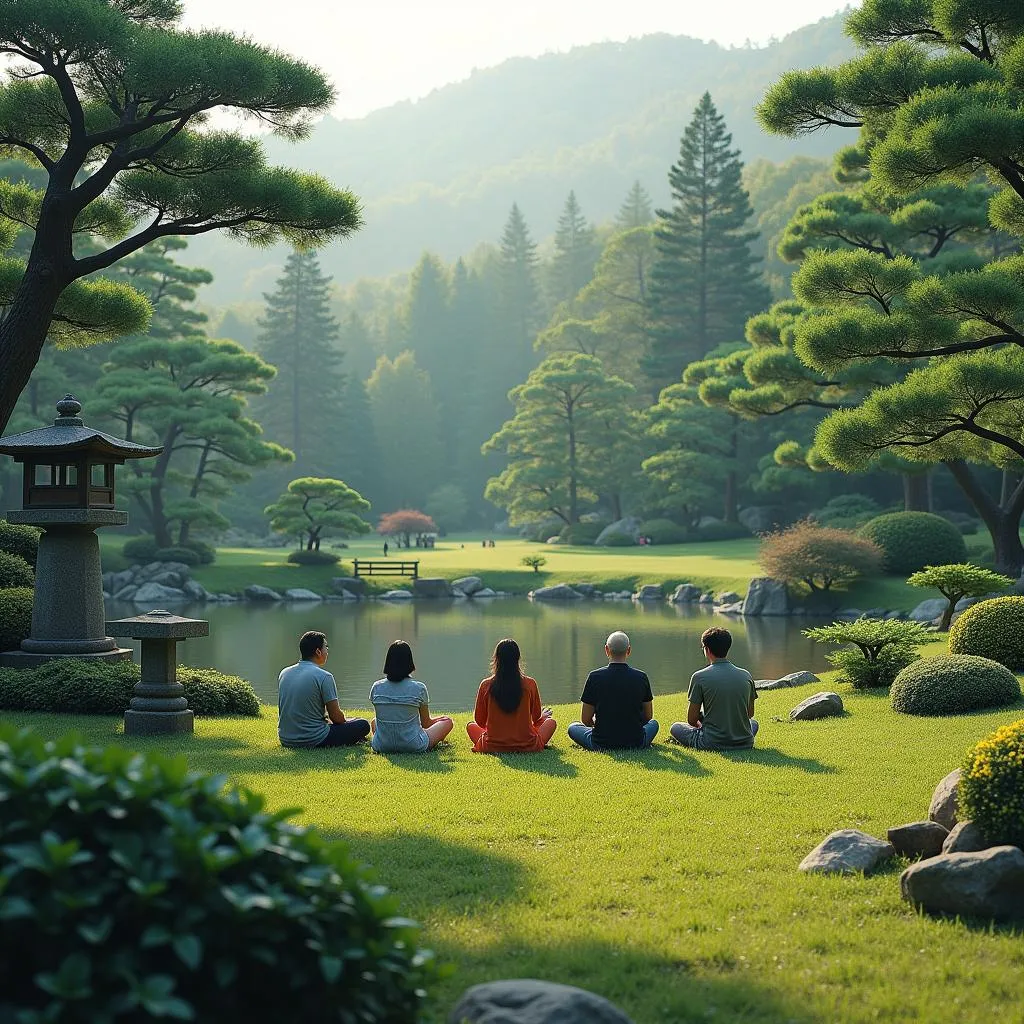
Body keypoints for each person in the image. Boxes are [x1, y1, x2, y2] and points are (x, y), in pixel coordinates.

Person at [670, 626, 758, 750]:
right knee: (754, 724)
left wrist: (701, 724)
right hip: (745, 742)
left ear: (707, 649)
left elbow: (691, 719)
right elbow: (750, 713)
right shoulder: (746, 675)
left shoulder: (699, 677)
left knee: (676, 727)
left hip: (711, 742)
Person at [567, 631, 658, 751]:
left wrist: (599, 726)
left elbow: (585, 719)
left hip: (600, 743)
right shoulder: (641, 677)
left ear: (606, 650)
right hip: (636, 742)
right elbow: (648, 717)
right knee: (654, 724)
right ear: (628, 650)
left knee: (573, 727)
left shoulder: (594, 677)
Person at [277, 631, 370, 748]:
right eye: (326, 647)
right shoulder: (324, 676)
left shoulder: (284, 673)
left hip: (286, 738)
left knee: (349, 722)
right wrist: (349, 720)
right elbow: (336, 717)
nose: (327, 651)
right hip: (313, 739)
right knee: (363, 724)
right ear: (318, 652)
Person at [467, 638, 557, 753]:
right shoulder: (530, 684)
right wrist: (542, 717)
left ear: (496, 659)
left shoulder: (486, 685)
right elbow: (536, 717)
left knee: (471, 726)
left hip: (492, 746)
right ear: (517, 659)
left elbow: (479, 722)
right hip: (528, 745)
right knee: (551, 722)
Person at [369, 640, 453, 753]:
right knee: (447, 722)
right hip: (414, 745)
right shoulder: (419, 688)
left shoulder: (376, 687)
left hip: (381, 745)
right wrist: (440, 719)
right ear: (410, 662)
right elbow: (426, 723)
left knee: (374, 721)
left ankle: (388, 742)